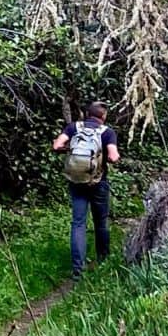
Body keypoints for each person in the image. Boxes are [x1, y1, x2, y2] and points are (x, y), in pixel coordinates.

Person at [52, 101, 121, 276]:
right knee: (101, 222)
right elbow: (113, 157)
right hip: (98, 183)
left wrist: (71, 150)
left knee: (78, 223)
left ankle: (77, 270)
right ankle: (103, 260)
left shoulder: (73, 127)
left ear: (86, 114)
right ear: (103, 116)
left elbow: (57, 146)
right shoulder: (107, 132)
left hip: (76, 182)